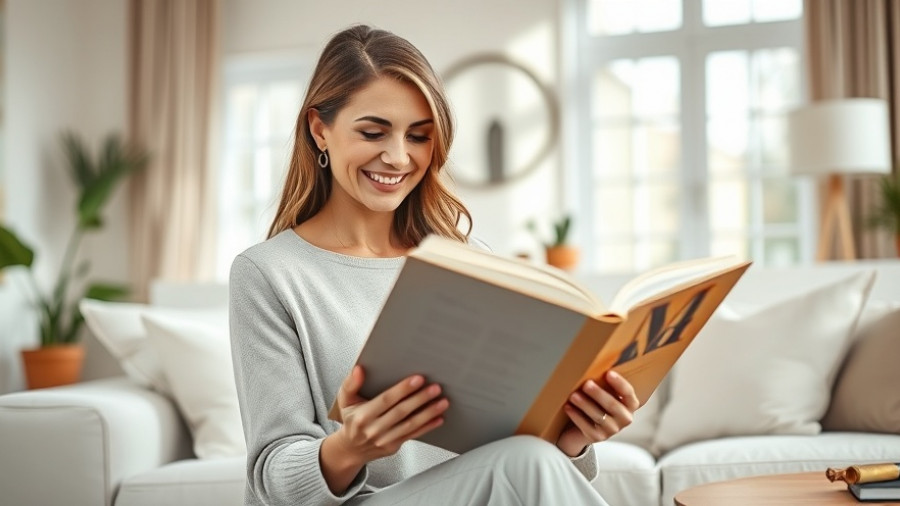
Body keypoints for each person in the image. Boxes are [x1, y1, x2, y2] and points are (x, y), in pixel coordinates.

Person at [229, 24, 641, 506]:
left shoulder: (470, 261)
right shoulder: (268, 274)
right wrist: (349, 448)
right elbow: (275, 474)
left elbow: (509, 452)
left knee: (531, 459)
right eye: (373, 131)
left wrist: (573, 436)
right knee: (526, 463)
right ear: (320, 129)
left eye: (419, 136)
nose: (398, 156)